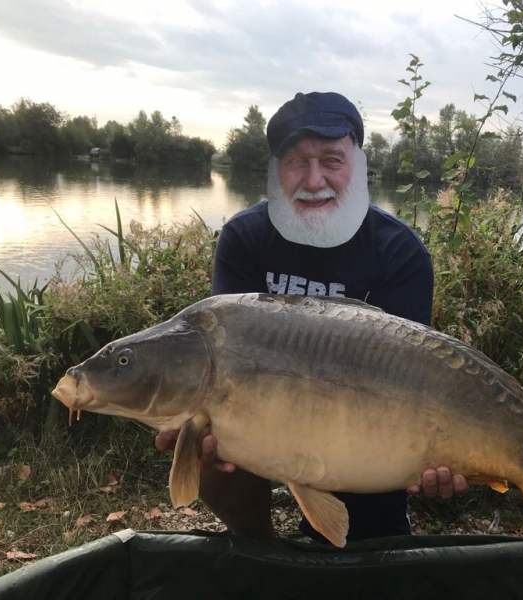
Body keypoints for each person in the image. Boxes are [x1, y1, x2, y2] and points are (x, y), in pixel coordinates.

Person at [156, 91, 468, 543]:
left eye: (331, 160)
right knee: (208, 437)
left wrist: (438, 453)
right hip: (263, 411)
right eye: (296, 161)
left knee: (371, 530)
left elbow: (411, 376)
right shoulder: (245, 238)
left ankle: (366, 540)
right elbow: (226, 358)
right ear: (276, 171)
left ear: (358, 166)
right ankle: (260, 544)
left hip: (364, 416)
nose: (314, 179)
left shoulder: (399, 251)